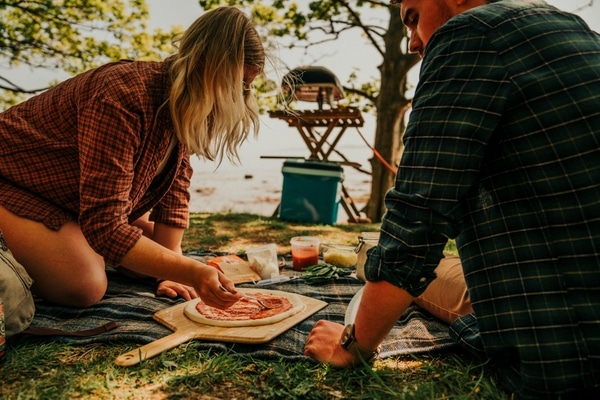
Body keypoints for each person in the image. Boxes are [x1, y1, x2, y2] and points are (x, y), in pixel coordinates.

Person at [304, 0, 600, 397]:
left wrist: (352, 344)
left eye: (412, 18)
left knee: (399, 266)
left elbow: (418, 217)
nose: (411, 43)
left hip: (568, 347)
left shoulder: (467, 35)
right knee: (436, 273)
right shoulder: (574, 29)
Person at [0, 6, 263, 311]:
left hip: (68, 199)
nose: (242, 98)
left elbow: (175, 194)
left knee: (164, 256)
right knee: (84, 284)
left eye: (248, 87)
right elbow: (105, 226)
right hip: (13, 183)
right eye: (238, 85)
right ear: (206, 66)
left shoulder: (184, 102)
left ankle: (74, 242)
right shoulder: (123, 95)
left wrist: (174, 269)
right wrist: (186, 270)